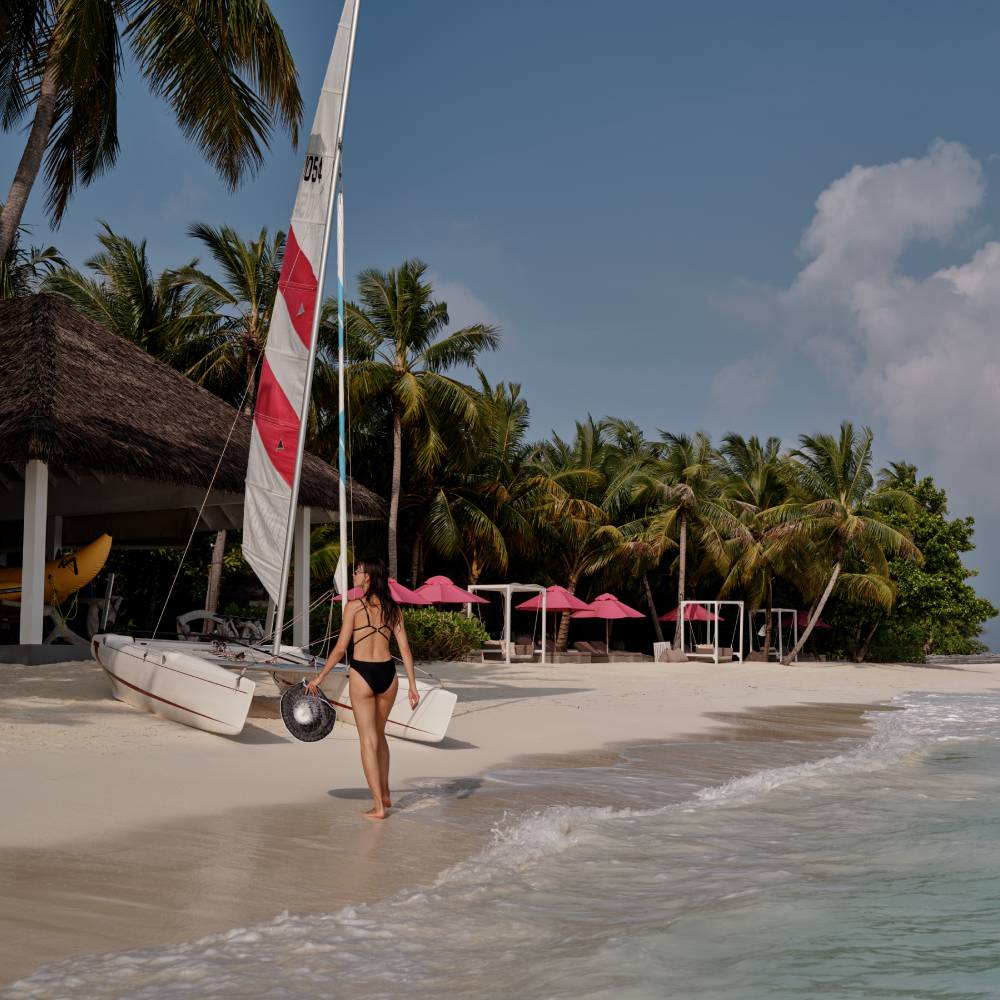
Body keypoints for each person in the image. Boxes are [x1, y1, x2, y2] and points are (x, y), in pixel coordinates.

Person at [305, 558, 418, 819]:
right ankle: (386, 793)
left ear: (367, 577)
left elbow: (342, 647)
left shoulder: (354, 608)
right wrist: (412, 685)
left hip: (363, 673)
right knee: (380, 735)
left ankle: (378, 806)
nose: (354, 575)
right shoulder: (393, 609)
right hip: (388, 674)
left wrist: (320, 677)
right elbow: (404, 649)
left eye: (357, 572)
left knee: (367, 740)